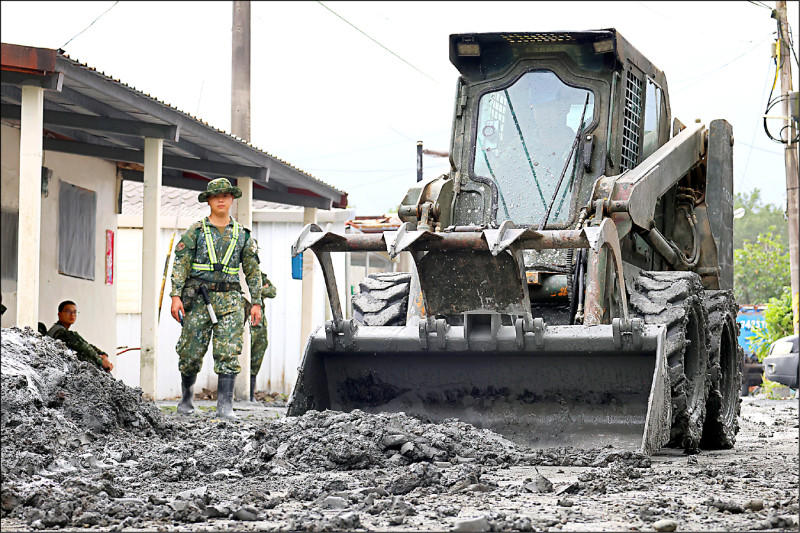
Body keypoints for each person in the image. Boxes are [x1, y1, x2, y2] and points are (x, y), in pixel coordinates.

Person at [169, 177, 263, 420]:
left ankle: (225, 407)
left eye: (225, 195)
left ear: (232, 199)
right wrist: (175, 296)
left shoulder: (242, 235)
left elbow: (253, 271)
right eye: (215, 195)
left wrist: (256, 302)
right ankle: (186, 400)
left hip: (231, 299)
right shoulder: (196, 231)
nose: (221, 199)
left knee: (229, 351)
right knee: (190, 352)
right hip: (199, 298)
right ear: (209, 200)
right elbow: (181, 265)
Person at [47, 300, 113, 372]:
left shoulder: (63, 331)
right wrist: (101, 361)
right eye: (68, 311)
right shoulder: (60, 332)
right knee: (86, 357)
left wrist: (104, 356)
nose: (72, 315)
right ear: (59, 314)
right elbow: (84, 348)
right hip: (56, 369)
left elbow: (86, 345)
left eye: (74, 312)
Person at [245, 271, 277, 402]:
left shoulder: (258, 274)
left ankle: (251, 394)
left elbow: (272, 291)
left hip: (259, 324)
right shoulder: (239, 272)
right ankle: (238, 394)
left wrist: (256, 291)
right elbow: (244, 292)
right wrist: (259, 289)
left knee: (257, 355)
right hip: (244, 322)